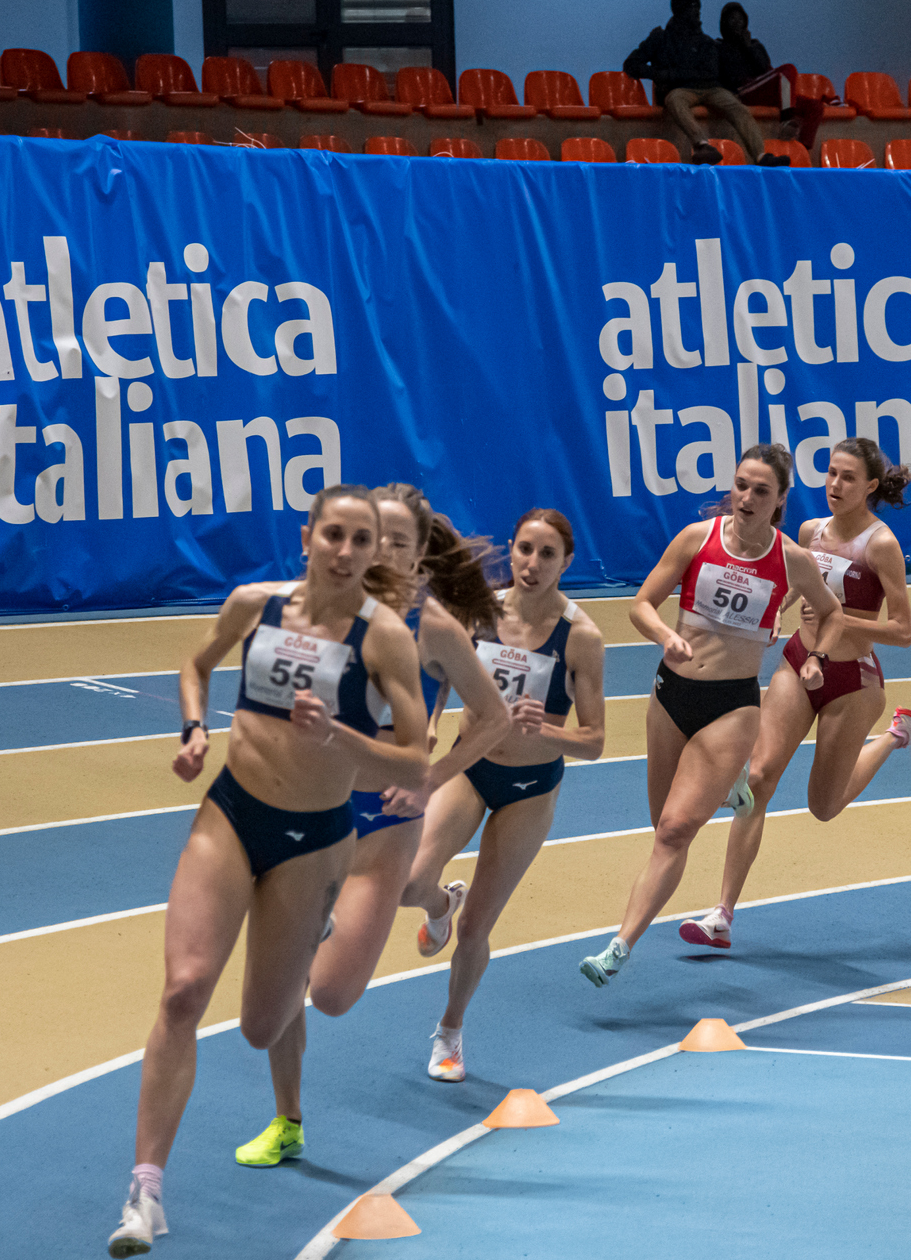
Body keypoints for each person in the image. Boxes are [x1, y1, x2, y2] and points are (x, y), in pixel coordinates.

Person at [110, 486, 428, 1259]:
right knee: (184, 989)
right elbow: (196, 664)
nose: (346, 551)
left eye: (360, 540)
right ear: (307, 536)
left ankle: (312, 929)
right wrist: (194, 728)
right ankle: (145, 1192)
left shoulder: (385, 637)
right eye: (333, 535)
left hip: (315, 839)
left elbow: (415, 759)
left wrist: (342, 735)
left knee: (261, 1025)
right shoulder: (255, 605)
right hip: (232, 813)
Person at [230, 483, 509, 1169]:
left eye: (396, 543)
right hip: (307, 812)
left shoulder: (432, 627)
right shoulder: (322, 609)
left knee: (329, 993)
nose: (378, 552)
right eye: (370, 537)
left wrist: (432, 779)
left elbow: (494, 717)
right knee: (286, 983)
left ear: (419, 558)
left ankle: (436, 902)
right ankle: (287, 1119)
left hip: (382, 824)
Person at [578, 444, 851, 987]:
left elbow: (832, 612)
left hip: (732, 706)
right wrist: (666, 635)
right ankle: (732, 787)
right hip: (671, 694)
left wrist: (817, 658)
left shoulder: (791, 559)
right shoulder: (695, 539)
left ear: (780, 499)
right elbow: (640, 605)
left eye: (761, 491)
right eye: (741, 485)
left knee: (675, 830)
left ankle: (618, 947)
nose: (746, 498)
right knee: (660, 821)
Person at [683, 438, 911, 952]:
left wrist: (842, 618)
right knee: (758, 778)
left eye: (848, 477)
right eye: (831, 473)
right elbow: (797, 583)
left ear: (870, 486)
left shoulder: (880, 545)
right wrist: (777, 611)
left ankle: (896, 735)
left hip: (852, 682)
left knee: (823, 805)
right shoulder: (809, 532)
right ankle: (722, 914)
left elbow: (903, 631)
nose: (835, 485)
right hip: (800, 662)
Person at [403, 509, 607, 1082]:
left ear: (567, 562)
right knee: (409, 882)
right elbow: (442, 671)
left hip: (529, 789)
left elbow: (594, 741)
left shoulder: (581, 638)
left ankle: (449, 1031)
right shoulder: (478, 612)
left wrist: (546, 731)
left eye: (547, 554)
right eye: (524, 549)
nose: (532, 564)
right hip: (471, 767)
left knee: (476, 930)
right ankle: (440, 905)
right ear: (511, 550)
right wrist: (431, 722)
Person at [624, 0, 775, 165]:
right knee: (674, 100)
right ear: (679, 10)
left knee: (738, 108)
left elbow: (710, 72)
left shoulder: (706, 42)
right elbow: (631, 64)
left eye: (697, 8)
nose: (697, 12)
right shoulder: (660, 38)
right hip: (682, 90)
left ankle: (761, 155)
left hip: (711, 88)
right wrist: (657, 74)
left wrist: (669, 74)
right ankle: (702, 145)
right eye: (692, 7)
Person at [716, 1, 825, 155]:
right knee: (788, 69)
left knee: (815, 106)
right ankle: (786, 119)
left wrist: (748, 47)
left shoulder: (755, 45)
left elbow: (763, 67)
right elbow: (728, 75)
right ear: (724, 23)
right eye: (732, 19)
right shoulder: (719, 47)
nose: (737, 23)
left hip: (764, 89)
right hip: (743, 91)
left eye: (740, 19)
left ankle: (802, 152)